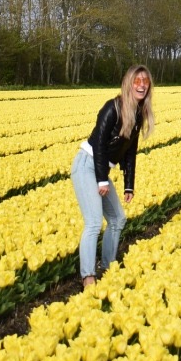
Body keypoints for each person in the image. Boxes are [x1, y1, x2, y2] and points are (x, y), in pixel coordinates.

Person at [72, 65, 155, 287]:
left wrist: (129, 185)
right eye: (136, 81)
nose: (141, 85)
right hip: (87, 165)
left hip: (100, 168)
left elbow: (130, 152)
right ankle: (88, 276)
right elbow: (99, 145)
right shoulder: (112, 107)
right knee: (93, 222)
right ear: (128, 84)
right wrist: (101, 179)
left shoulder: (138, 114)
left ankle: (108, 266)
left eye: (145, 81)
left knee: (118, 218)